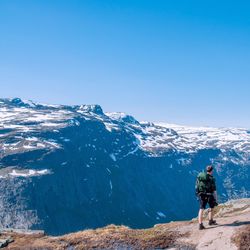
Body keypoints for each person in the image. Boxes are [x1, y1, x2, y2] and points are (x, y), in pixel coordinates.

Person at [196, 165, 218, 230]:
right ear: (212, 171)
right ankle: (210, 221)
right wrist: (216, 199)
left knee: (201, 209)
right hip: (209, 195)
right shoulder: (212, 178)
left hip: (201, 194)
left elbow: (197, 185)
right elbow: (214, 190)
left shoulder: (200, 177)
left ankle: (200, 225)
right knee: (211, 207)